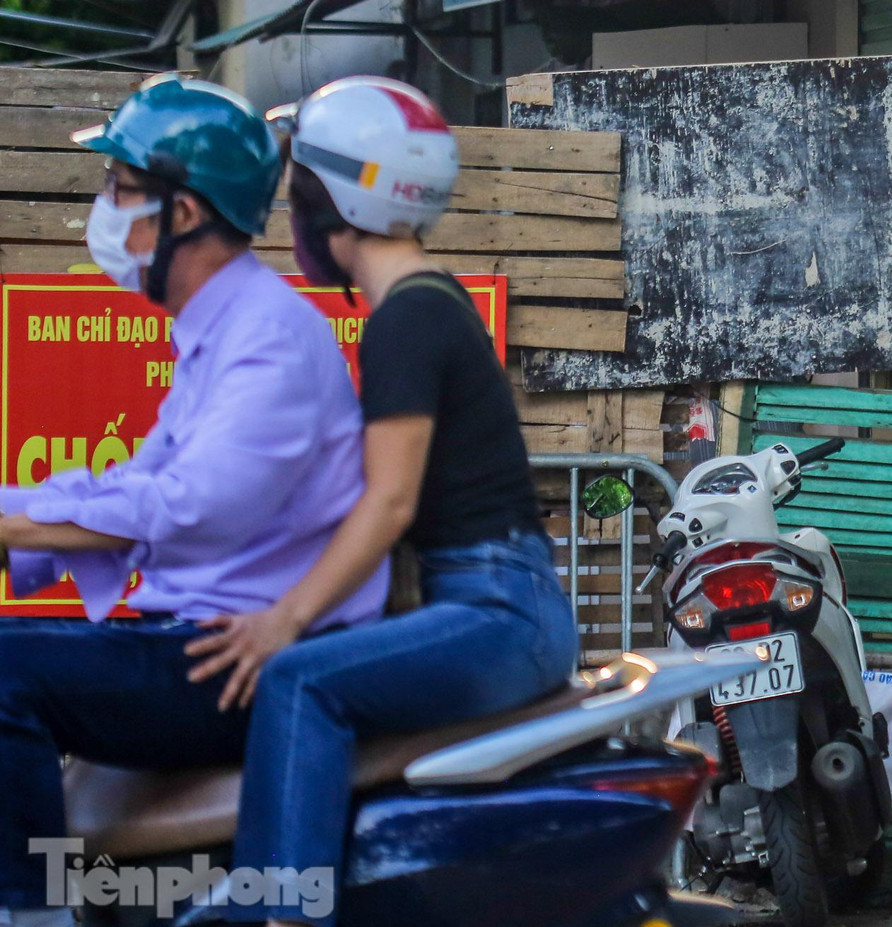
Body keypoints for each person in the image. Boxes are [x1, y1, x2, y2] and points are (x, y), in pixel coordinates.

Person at [183, 77, 577, 927]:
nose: (288, 217)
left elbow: (389, 503)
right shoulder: (427, 302)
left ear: (336, 198)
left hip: (500, 607)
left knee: (298, 678)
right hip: (503, 598)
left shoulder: (404, 318)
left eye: (296, 194)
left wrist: (283, 618)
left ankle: (280, 913)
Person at [0, 75, 386, 927]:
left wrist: (16, 525)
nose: (106, 211)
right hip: (202, 639)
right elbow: (132, 484)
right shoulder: (217, 331)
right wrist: (15, 530)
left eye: (121, 190)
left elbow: (191, 505)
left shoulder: (269, 338)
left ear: (183, 213)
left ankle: (28, 915)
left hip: (235, 657)